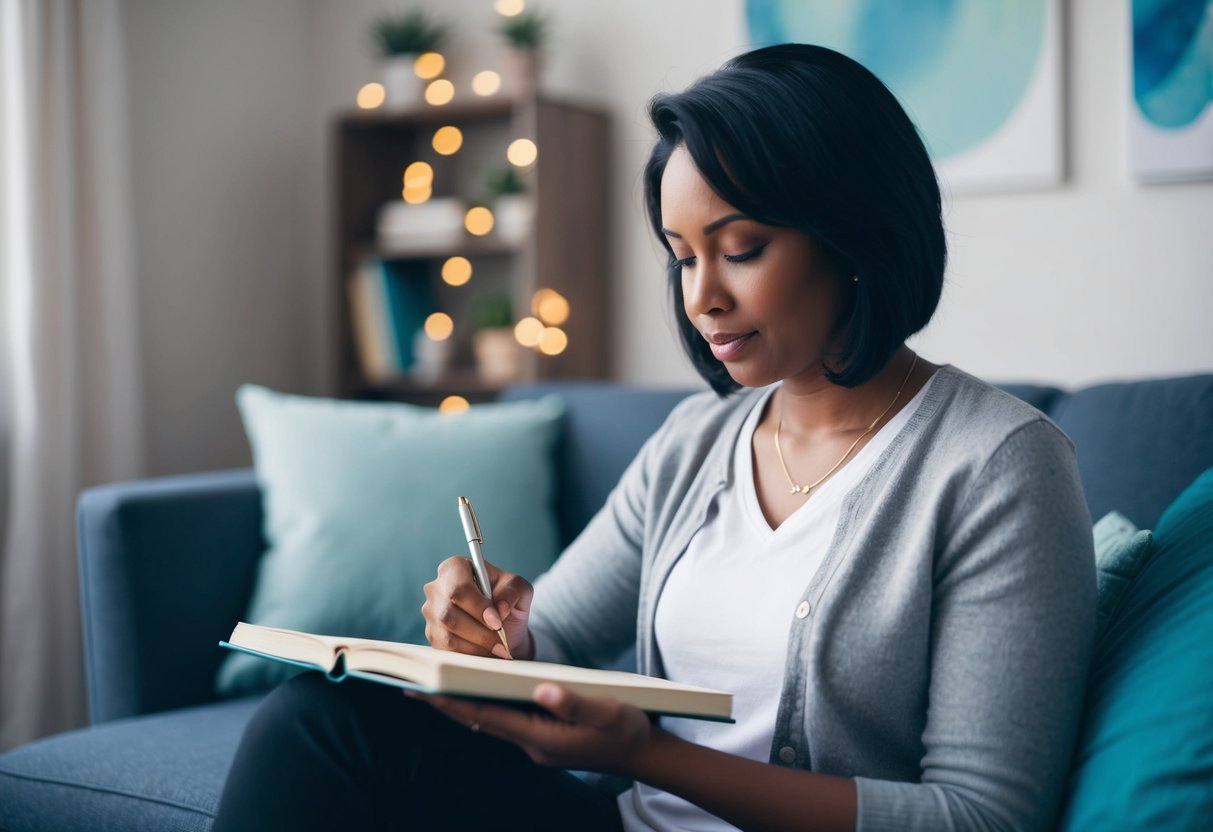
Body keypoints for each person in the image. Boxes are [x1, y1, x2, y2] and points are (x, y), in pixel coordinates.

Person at [212, 43, 1096, 831]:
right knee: (321, 725)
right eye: (681, 255)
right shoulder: (695, 442)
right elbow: (546, 636)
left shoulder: (998, 464)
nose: (699, 296)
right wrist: (491, 633)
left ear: (854, 235)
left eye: (740, 247)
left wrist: (646, 756)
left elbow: (982, 816)